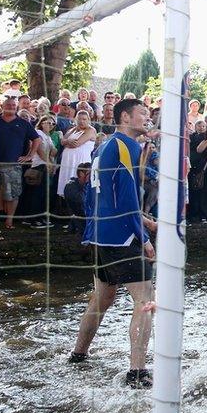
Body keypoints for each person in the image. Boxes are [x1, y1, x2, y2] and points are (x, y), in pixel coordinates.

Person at [69, 98, 159, 389]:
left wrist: (145, 222)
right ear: (124, 117)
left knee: (102, 299)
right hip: (121, 236)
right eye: (142, 114)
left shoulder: (104, 146)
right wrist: (143, 236)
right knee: (144, 299)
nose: (147, 119)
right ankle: (138, 371)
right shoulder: (126, 147)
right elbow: (129, 199)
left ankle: (78, 355)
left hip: (99, 235)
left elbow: (101, 196)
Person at [0, 97, 41, 229]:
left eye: (14, 105)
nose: (11, 107)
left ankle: (9, 221)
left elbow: (36, 139)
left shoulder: (24, 123)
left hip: (13, 166)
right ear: (2, 106)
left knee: (12, 195)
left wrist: (29, 155)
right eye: (8, 104)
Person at [57, 111, 97, 198]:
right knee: (66, 185)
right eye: (79, 119)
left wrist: (66, 142)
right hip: (68, 162)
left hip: (80, 161)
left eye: (84, 119)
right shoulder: (71, 130)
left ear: (88, 120)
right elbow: (62, 141)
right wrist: (68, 141)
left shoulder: (91, 130)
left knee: (79, 186)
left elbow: (76, 144)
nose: (81, 121)